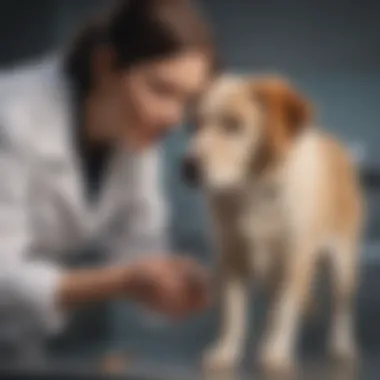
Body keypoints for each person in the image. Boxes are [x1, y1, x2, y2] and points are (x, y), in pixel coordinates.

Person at [0, 0, 216, 353]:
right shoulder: (11, 115)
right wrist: (123, 282)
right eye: (161, 89)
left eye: (187, 100)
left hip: (18, 345)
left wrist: (182, 282)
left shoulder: (134, 132)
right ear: (105, 65)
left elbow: (140, 251)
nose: (174, 117)